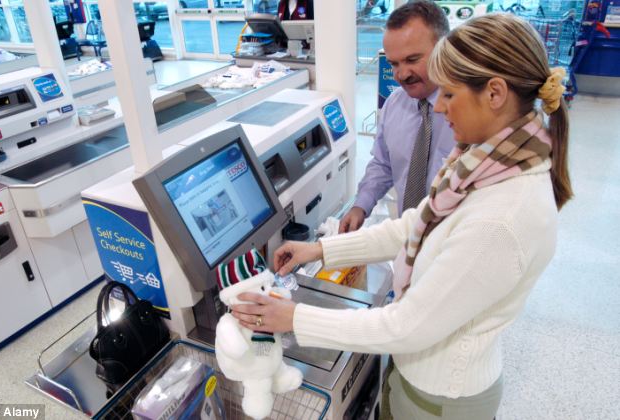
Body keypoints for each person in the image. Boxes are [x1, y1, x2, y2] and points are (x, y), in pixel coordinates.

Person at [230, 13, 573, 420]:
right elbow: (417, 222)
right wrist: (319, 250)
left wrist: (293, 317)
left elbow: (406, 326)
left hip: (440, 398)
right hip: (415, 372)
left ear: (495, 93)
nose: (440, 105)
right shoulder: (488, 161)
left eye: (450, 93)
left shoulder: (501, 217)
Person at [339, 1, 456, 233]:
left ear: (445, 49)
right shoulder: (394, 104)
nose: (402, 74)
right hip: (407, 238)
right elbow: (383, 164)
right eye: (394, 63)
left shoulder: (469, 114)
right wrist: (361, 205)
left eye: (412, 60)